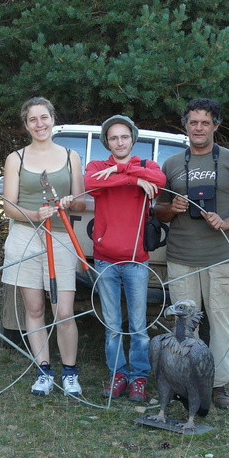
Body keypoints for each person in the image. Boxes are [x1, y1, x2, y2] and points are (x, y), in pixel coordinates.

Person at [155, 98, 229, 410]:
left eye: (205, 122)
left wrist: (226, 222)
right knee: (184, 327)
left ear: (215, 125)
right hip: (181, 256)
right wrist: (172, 208)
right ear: (185, 126)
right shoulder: (171, 164)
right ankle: (185, 384)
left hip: (219, 257)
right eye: (193, 122)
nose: (199, 128)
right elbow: (158, 211)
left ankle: (219, 386)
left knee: (221, 323)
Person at [1, 97, 85, 396]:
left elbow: (82, 200)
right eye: (33, 119)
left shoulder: (71, 156)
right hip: (26, 235)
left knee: (63, 311)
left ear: (53, 119)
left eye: (44, 117)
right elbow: (9, 206)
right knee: (34, 307)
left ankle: (70, 372)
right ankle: (44, 370)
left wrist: (69, 202)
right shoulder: (16, 159)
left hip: (61, 236)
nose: (40, 124)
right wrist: (34, 215)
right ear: (26, 125)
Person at [84, 115, 166, 402]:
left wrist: (128, 174)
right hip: (105, 259)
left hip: (136, 260)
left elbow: (160, 179)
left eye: (124, 137)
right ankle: (118, 374)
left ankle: (138, 378)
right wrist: (131, 178)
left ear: (133, 138)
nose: (120, 142)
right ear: (107, 141)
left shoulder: (148, 166)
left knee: (139, 326)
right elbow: (90, 182)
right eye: (114, 137)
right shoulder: (97, 167)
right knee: (112, 325)